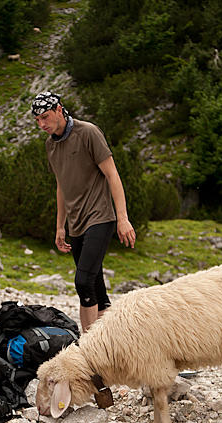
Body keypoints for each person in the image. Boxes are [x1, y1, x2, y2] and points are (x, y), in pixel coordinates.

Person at [32, 91, 136, 332]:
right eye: (37, 120)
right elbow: (62, 185)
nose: (42, 125)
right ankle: (112, 342)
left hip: (100, 217)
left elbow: (112, 174)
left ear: (59, 109)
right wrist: (60, 226)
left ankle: (89, 348)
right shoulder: (50, 145)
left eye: (45, 117)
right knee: (96, 286)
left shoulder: (88, 132)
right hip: (76, 223)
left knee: (83, 281)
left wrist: (123, 219)